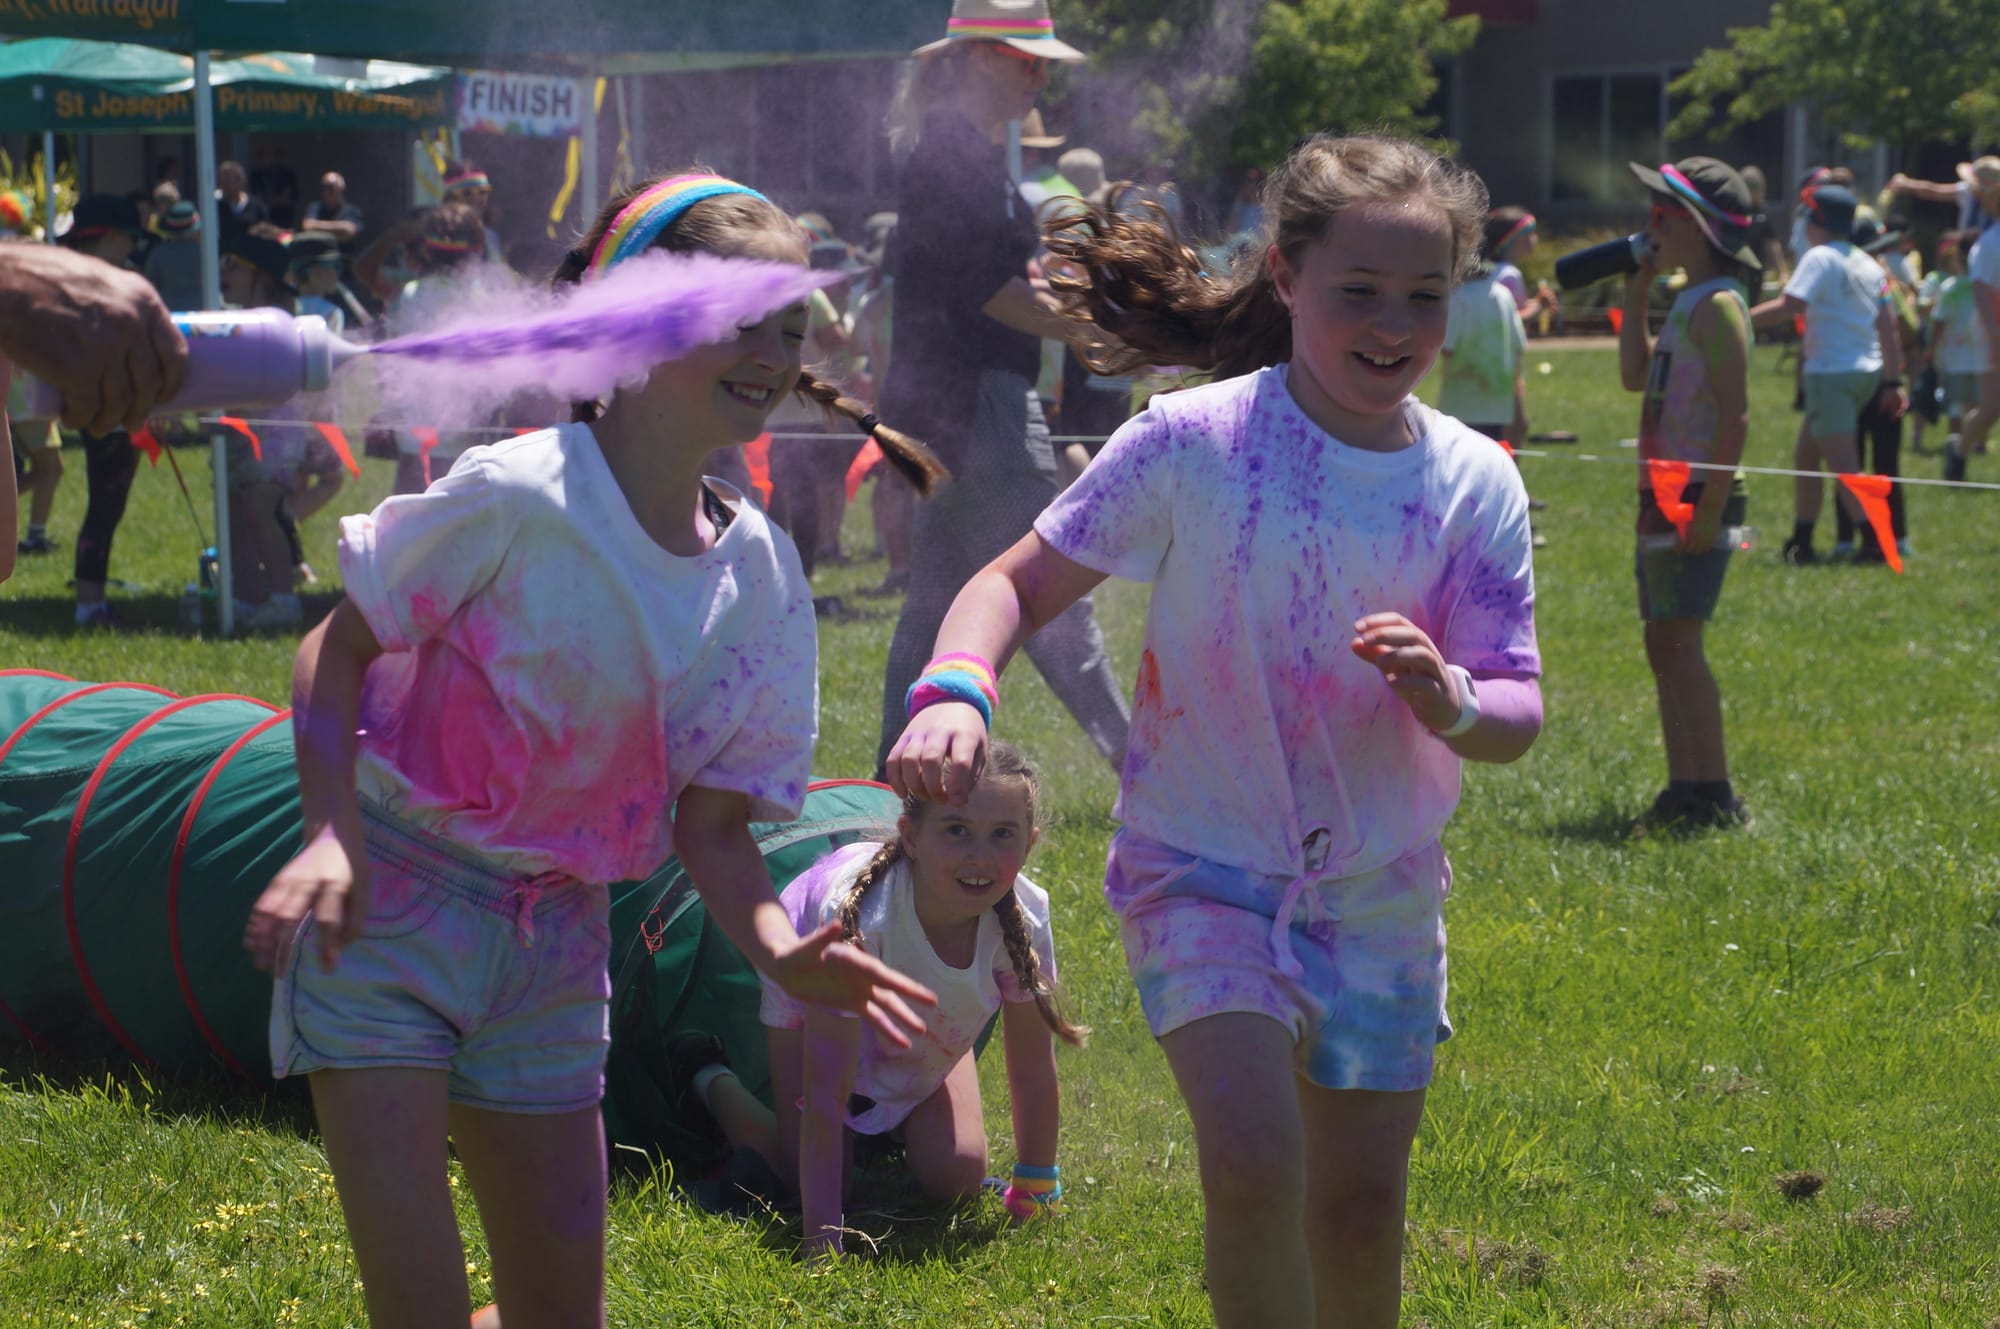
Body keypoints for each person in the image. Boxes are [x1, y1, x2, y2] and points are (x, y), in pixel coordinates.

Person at [242, 169, 938, 1329]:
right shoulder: (520, 495)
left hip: (560, 942)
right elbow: (337, 647)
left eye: (790, 326)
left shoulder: (761, 574)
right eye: (735, 320)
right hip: (387, 913)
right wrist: (328, 835)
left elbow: (709, 824)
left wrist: (777, 950)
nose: (771, 351)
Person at [892, 132, 1541, 1329]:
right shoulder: (1193, 442)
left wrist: (1449, 699)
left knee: (1355, 1210)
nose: (1391, 322)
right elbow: (1009, 585)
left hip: (1378, 893)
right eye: (1357, 289)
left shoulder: (1471, 480)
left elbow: (1514, 708)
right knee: (1252, 1164)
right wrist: (952, 687)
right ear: (1285, 279)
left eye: (1421, 295)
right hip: (1201, 868)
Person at [666, 741, 1080, 1259]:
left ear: (1030, 842)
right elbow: (823, 1093)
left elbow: (1032, 1070)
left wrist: (1036, 1187)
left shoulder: (1026, 917)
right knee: (808, 1180)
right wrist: (823, 1236)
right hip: (809, 985)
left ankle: (895, 1116)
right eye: (956, 830)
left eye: (1003, 835)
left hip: (922, 1030)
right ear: (911, 837)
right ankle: (709, 1077)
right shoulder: (858, 923)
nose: (980, 856)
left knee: (958, 1175)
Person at [877, 0, 1130, 777]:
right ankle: (1145, 768)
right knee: (1049, 593)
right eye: (1028, 60)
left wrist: (1081, 312)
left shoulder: (961, 152)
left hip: (940, 406)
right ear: (982, 58)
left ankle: (886, 784)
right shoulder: (955, 157)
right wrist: (1097, 336)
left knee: (931, 614)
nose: (1039, 76)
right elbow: (986, 291)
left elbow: (994, 282)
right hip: (977, 405)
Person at [1617, 158, 1760, 833]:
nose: (1650, 227)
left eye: (1662, 215)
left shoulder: (1723, 305)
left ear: (1698, 228)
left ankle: (1716, 791)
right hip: (1662, 492)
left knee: (1682, 642)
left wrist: (1708, 508)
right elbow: (1632, 374)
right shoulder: (1687, 299)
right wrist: (1641, 288)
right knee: (1661, 642)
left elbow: (1736, 415)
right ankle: (1685, 786)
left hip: (1699, 497)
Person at [1750, 183, 1906, 563]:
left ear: (1816, 221)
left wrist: (1738, 319)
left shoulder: (1820, 258)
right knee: (1806, 456)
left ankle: (1874, 542)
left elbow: (1792, 304)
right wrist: (1892, 380)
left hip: (1830, 375)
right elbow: (1888, 327)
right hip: (1864, 375)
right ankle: (1801, 539)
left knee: (1844, 468)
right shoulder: (1869, 263)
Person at [1945, 164, 2000, 479]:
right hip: (1993, 329)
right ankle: (1959, 448)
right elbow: (1981, 292)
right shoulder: (1989, 244)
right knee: (1991, 409)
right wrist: (1994, 333)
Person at [442, 159, 507, 267]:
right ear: (450, 199)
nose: (476, 198)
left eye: (482, 191)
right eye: (467, 193)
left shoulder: (491, 237)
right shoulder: (442, 236)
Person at [143, 198, 205, 312]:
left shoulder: (158, 253)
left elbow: (151, 287)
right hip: (202, 313)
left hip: (169, 315)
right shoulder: (205, 254)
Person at [301, 171, 364, 250]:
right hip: (317, 257)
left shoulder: (352, 211)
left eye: (330, 187)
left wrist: (317, 227)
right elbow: (308, 226)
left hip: (344, 258)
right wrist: (339, 229)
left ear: (342, 188)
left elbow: (348, 232)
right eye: (324, 187)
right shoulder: (315, 207)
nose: (326, 192)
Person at [217, 160, 269, 231]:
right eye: (221, 180)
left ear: (240, 181)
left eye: (228, 181)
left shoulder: (256, 205)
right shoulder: (216, 205)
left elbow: (266, 228)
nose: (223, 185)